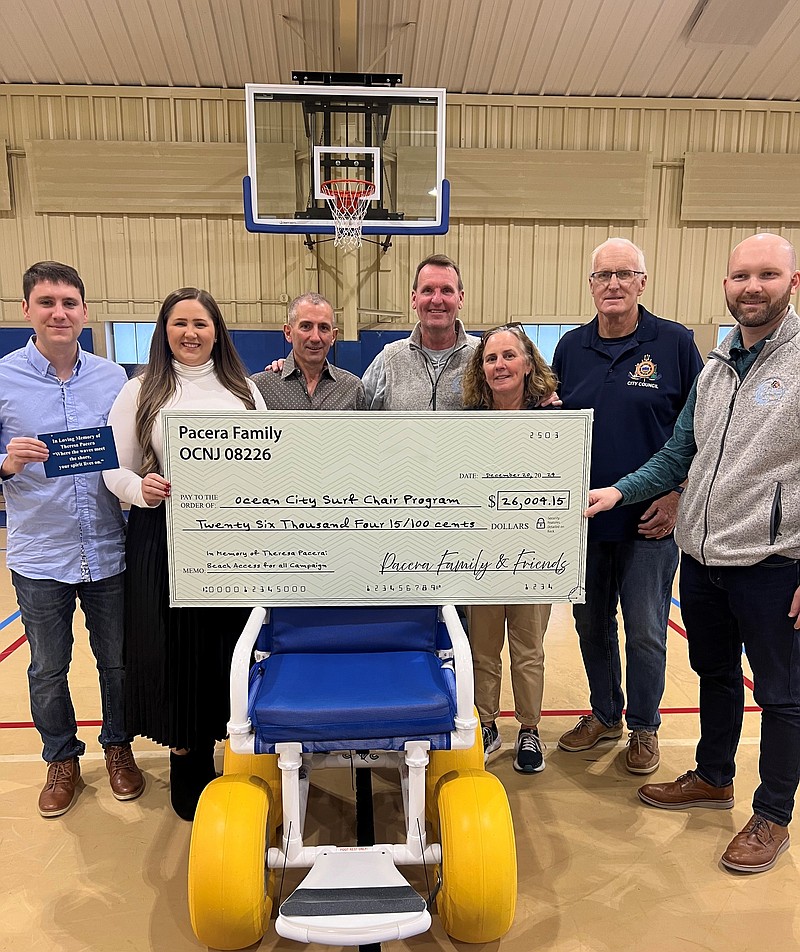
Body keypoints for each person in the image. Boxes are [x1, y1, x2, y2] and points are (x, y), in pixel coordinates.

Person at [585, 232, 800, 873]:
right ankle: (713, 776)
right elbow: (682, 453)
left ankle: (772, 815)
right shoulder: (715, 364)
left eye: (767, 275)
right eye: (740, 277)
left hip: (775, 563)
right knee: (714, 675)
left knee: (784, 696)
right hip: (704, 559)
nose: (751, 288)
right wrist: (617, 493)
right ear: (726, 286)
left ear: (793, 282)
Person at [103, 288, 266, 820]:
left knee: (228, 647)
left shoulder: (244, 391)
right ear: (164, 331)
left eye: (201, 323)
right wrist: (138, 489)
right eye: (180, 324)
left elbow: (269, 458)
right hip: (162, 536)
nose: (190, 333)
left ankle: (233, 755)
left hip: (230, 539)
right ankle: (188, 766)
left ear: (217, 331)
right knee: (174, 652)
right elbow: (115, 468)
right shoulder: (139, 391)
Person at [553, 239, 703, 774]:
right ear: (590, 285)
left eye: (624, 274)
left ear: (643, 282)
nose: (612, 284)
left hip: (650, 522)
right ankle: (604, 714)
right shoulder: (570, 348)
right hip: (585, 524)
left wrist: (677, 493)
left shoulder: (675, 343)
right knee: (591, 628)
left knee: (644, 631)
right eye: (602, 275)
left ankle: (644, 727)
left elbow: (701, 428)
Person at [0, 261, 144, 817]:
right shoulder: (4, 378)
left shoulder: (114, 380)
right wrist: (7, 463)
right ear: (27, 311)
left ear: (85, 312)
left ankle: (118, 749)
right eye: (46, 302)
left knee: (118, 663)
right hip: (41, 555)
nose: (58, 312)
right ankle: (61, 760)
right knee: (46, 668)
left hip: (109, 547)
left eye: (68, 303)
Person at [462, 324, 558, 774]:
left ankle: (530, 729)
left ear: (527, 364)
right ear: (481, 370)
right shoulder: (468, 424)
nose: (499, 365)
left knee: (528, 648)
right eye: (490, 358)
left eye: (508, 356)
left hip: (535, 556)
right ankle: (487, 724)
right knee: (483, 648)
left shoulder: (556, 421)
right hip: (481, 556)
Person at [362, 254, 479, 410]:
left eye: (446, 290)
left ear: (461, 299)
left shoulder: (481, 355)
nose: (437, 300)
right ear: (414, 299)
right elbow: (358, 418)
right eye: (428, 290)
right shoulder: (389, 359)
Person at [252, 293, 366, 409]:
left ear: (333, 336)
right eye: (306, 326)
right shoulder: (260, 387)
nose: (315, 337)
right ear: (288, 332)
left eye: (324, 328)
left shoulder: (352, 389)